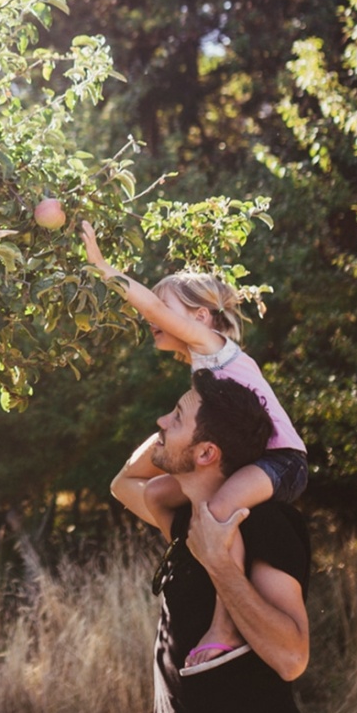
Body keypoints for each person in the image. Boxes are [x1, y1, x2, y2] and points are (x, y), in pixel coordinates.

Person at [81, 220, 308, 669]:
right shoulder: (203, 367)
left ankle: (224, 626)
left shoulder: (214, 346)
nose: (152, 317)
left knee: (219, 510)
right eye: (155, 310)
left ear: (199, 317)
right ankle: (190, 560)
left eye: (163, 309)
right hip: (259, 460)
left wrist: (103, 267)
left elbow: (148, 304)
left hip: (283, 462)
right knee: (159, 492)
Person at [112, 370, 311, 713]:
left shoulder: (263, 522)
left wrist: (220, 564)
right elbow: (123, 484)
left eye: (176, 416)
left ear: (206, 452)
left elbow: (292, 658)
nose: (161, 421)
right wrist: (166, 436)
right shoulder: (184, 518)